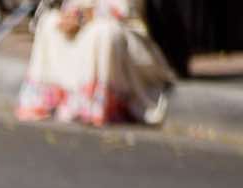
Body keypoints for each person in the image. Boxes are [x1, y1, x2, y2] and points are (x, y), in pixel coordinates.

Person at [17, 0, 174, 126]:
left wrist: (86, 16)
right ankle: (52, 101)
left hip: (121, 29)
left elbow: (125, 10)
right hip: (82, 22)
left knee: (102, 33)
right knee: (49, 22)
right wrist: (69, 16)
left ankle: (95, 105)